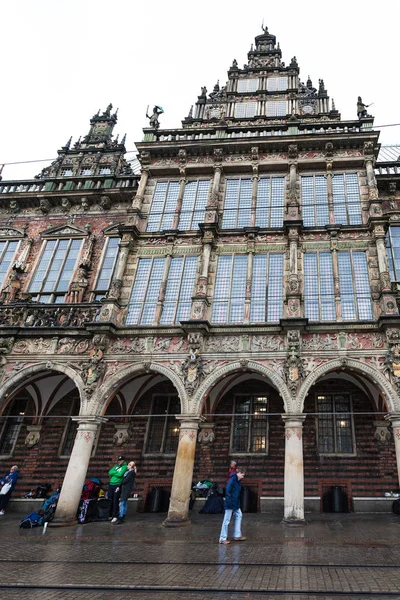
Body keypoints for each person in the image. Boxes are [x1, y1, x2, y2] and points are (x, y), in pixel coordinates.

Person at [219, 467, 246, 545]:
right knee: (226, 520)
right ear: (239, 473)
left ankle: (237, 535)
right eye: (242, 475)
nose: (243, 477)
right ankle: (222, 538)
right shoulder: (233, 480)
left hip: (234, 502)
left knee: (238, 515)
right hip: (231, 502)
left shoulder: (236, 480)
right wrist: (230, 500)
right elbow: (228, 490)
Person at [108, 456, 128, 523]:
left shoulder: (125, 466)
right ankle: (110, 514)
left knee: (115, 500)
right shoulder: (116, 465)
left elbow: (120, 474)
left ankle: (115, 515)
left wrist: (114, 473)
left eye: (121, 460)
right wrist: (115, 472)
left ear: (123, 460)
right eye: (119, 460)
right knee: (110, 499)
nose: (119, 461)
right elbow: (110, 472)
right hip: (111, 484)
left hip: (117, 484)